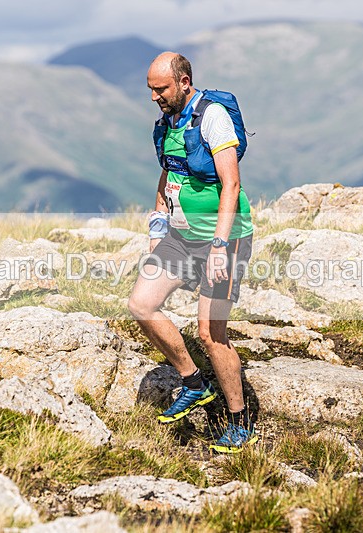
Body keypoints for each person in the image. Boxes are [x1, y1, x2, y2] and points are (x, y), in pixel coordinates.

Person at [127, 52, 256, 453]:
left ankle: (238, 421)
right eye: (150, 89)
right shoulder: (167, 122)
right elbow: (169, 171)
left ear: (184, 82)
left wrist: (219, 247)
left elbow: (230, 184)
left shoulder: (212, 116)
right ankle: (193, 381)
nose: (154, 97)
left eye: (160, 89)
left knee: (211, 333)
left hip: (224, 237)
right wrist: (158, 225)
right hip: (181, 237)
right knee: (141, 305)